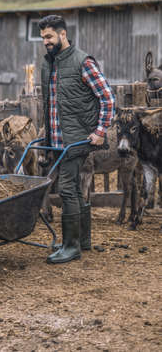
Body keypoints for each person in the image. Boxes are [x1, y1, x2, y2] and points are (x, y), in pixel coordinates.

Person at [39, 15, 115, 264]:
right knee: (73, 191)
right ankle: (82, 240)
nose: (45, 42)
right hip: (59, 140)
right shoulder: (49, 63)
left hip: (76, 139)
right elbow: (51, 104)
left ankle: (71, 247)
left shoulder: (83, 62)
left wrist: (100, 131)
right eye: (42, 38)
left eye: (49, 36)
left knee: (67, 189)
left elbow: (107, 98)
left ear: (63, 34)